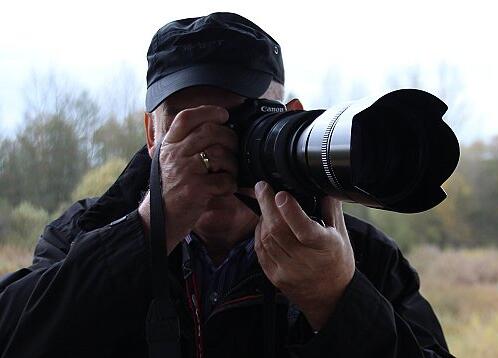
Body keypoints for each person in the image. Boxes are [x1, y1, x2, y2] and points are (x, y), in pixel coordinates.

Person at [0, 12, 452, 358]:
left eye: (241, 119)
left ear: (291, 114)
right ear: (151, 134)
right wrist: (147, 233)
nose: (214, 145)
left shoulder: (356, 256)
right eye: (186, 124)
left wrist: (337, 299)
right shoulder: (83, 235)